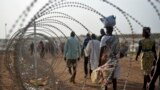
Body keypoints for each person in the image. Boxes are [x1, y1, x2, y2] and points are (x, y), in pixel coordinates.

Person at [99, 15, 120, 90]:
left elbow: (101, 51)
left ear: (106, 29)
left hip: (106, 60)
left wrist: (99, 64)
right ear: (112, 29)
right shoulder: (115, 38)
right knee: (114, 78)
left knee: (105, 77)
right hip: (114, 60)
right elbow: (118, 51)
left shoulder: (104, 38)